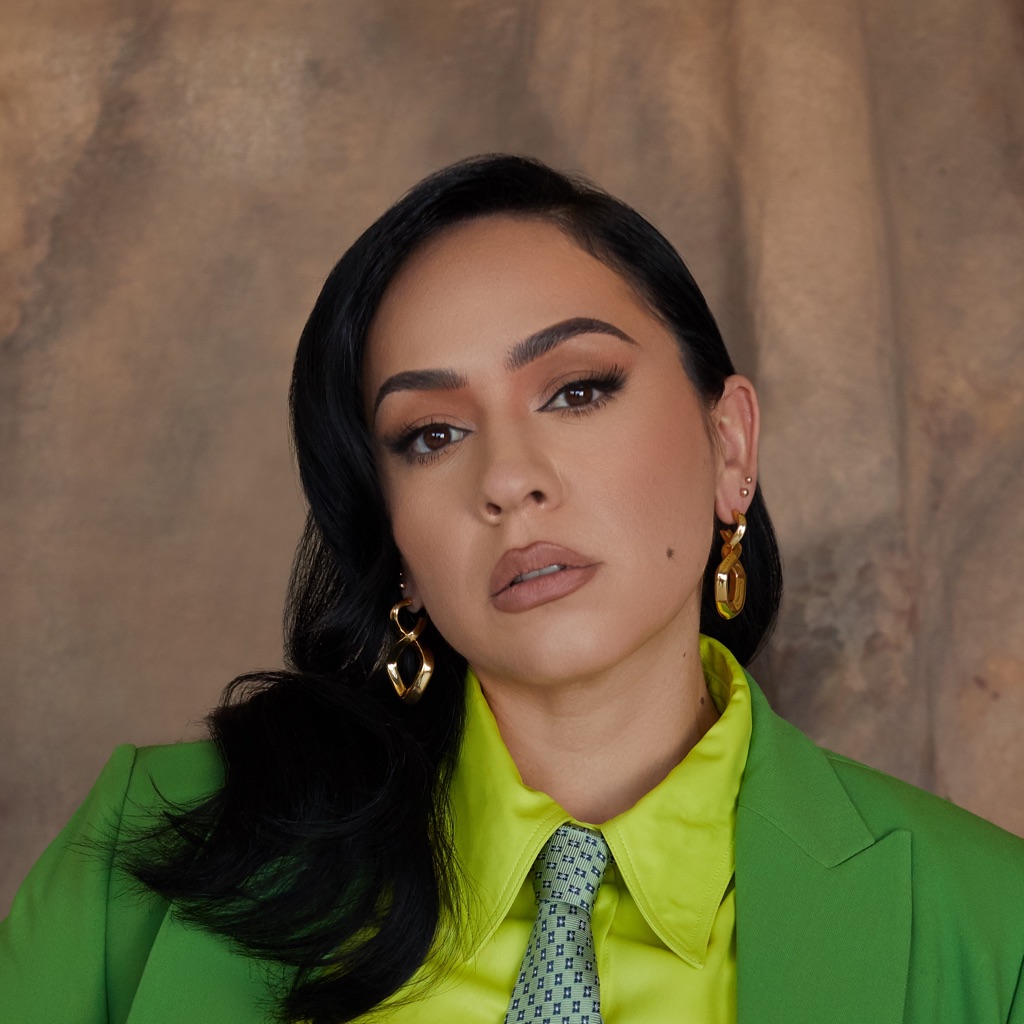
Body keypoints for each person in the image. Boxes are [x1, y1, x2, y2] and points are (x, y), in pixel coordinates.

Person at [1, 154, 1022, 1024]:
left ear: (730, 446)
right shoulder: (138, 861)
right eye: (431, 434)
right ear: (395, 542)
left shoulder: (991, 929)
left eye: (577, 390)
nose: (506, 479)